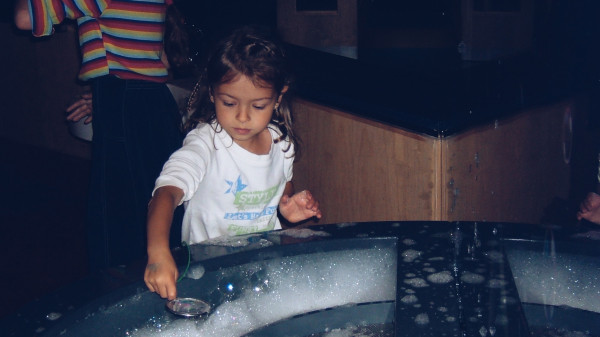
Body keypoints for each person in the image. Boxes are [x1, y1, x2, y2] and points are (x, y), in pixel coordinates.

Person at [144, 26, 322, 300]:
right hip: (207, 271)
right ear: (213, 94)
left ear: (278, 98)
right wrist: (158, 254)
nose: (242, 117)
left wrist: (286, 205)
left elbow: (282, 181)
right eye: (229, 103)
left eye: (258, 106)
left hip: (261, 266)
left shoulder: (281, 143)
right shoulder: (205, 144)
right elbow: (164, 195)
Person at [14, 0, 189, 270]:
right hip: (153, 101)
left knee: (114, 216)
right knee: (161, 201)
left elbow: (25, 17)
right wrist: (107, 96)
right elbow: (157, 57)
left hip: (124, 100)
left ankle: (116, 294)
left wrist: (115, 96)